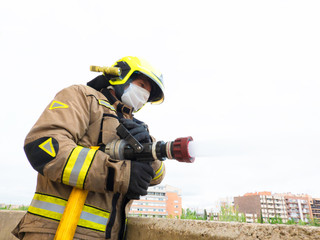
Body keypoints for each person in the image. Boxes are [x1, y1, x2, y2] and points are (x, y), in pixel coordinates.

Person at [12, 56, 166, 240]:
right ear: (121, 77)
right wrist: (118, 175)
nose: (144, 94)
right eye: (141, 85)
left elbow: (156, 177)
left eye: (148, 92)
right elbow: (44, 147)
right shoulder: (82, 97)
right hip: (53, 232)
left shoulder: (137, 126)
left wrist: (149, 151)